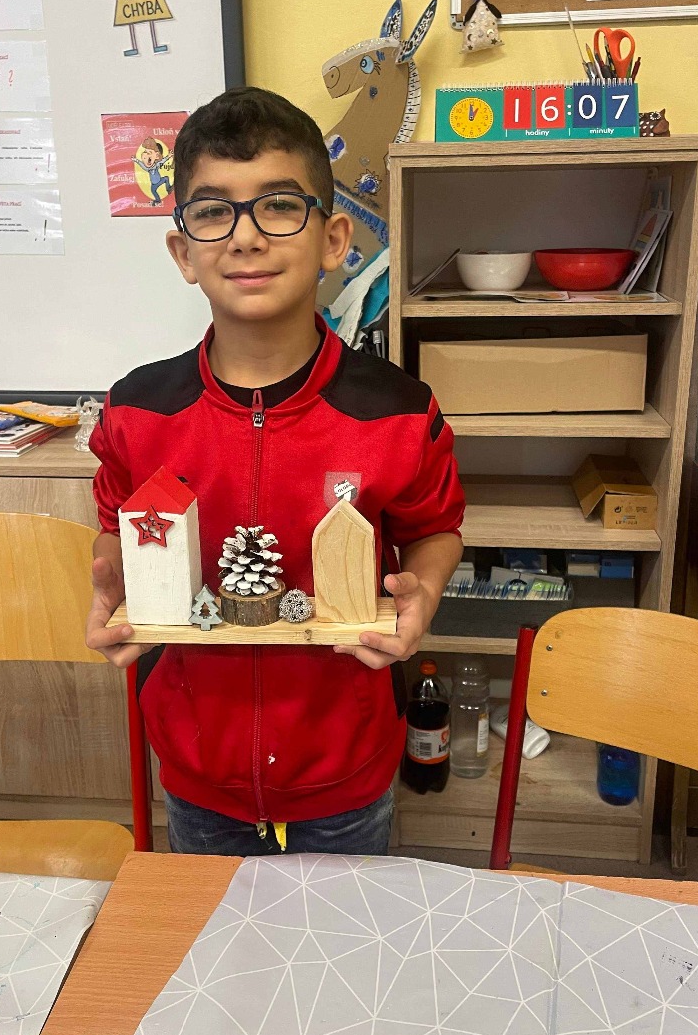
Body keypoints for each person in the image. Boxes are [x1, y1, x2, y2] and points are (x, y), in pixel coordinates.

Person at [85, 86, 464, 857]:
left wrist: (422, 592)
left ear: (333, 239)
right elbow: (113, 531)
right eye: (213, 212)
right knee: (210, 936)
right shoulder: (136, 411)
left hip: (346, 774)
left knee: (344, 934)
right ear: (184, 252)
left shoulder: (398, 412)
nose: (246, 237)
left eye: (279, 206)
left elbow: (436, 529)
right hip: (198, 773)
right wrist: (113, 581)